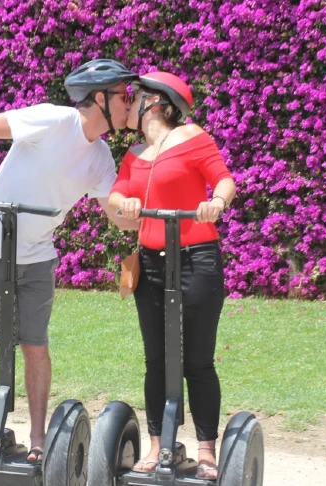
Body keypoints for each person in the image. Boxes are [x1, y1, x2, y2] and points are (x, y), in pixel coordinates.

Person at [0, 59, 139, 463]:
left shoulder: (102, 158)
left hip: (37, 255)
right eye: (124, 96)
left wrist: (138, 195)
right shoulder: (54, 120)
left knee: (35, 346)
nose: (130, 103)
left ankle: (39, 438)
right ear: (99, 99)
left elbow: (119, 217)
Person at [109, 72, 236, 480]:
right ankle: (159, 445)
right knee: (157, 360)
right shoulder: (133, 154)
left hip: (197, 258)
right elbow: (115, 195)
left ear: (157, 103)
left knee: (197, 360)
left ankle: (205, 449)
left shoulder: (195, 138)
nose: (128, 102)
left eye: (135, 95)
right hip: (151, 261)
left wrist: (215, 202)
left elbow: (224, 180)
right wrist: (123, 202)